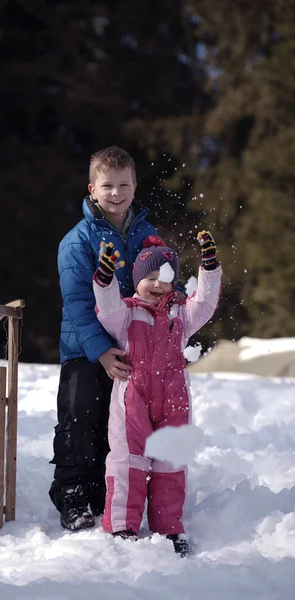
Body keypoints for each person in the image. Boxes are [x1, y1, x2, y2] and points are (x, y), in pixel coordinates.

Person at [49, 146, 161, 531]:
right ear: (92, 189)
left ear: (135, 186)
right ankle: (72, 493)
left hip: (133, 350)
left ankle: (106, 489)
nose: (116, 193)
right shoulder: (77, 241)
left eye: (124, 184)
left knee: (119, 426)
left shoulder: (148, 235)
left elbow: (160, 284)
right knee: (82, 418)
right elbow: (78, 303)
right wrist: (100, 351)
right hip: (86, 349)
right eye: (107, 185)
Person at [92, 230, 222, 556]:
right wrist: (105, 278)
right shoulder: (127, 313)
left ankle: (168, 527)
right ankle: (122, 524)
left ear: (173, 281)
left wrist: (209, 267)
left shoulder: (182, 313)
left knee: (170, 463)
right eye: (148, 277)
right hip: (132, 398)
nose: (156, 284)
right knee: (128, 461)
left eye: (163, 277)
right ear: (136, 280)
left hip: (174, 400)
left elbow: (205, 302)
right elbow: (105, 310)